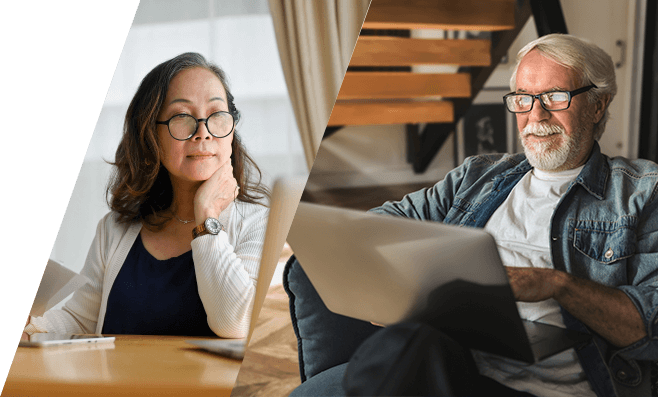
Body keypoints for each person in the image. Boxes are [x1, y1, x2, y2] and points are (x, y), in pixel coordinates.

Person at [288, 34, 657, 397]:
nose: (536, 115)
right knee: (411, 342)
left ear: (597, 105)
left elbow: (649, 327)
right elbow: (381, 224)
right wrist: (393, 294)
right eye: (524, 99)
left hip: (549, 384)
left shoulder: (642, 192)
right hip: (451, 359)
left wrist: (554, 284)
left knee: (402, 354)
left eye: (555, 97)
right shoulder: (479, 175)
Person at [24, 52, 270, 338]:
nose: (203, 133)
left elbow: (235, 323)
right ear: (150, 133)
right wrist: (32, 329)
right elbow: (80, 321)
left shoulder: (260, 224)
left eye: (216, 115)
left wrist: (207, 215)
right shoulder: (114, 229)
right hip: (114, 384)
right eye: (182, 117)